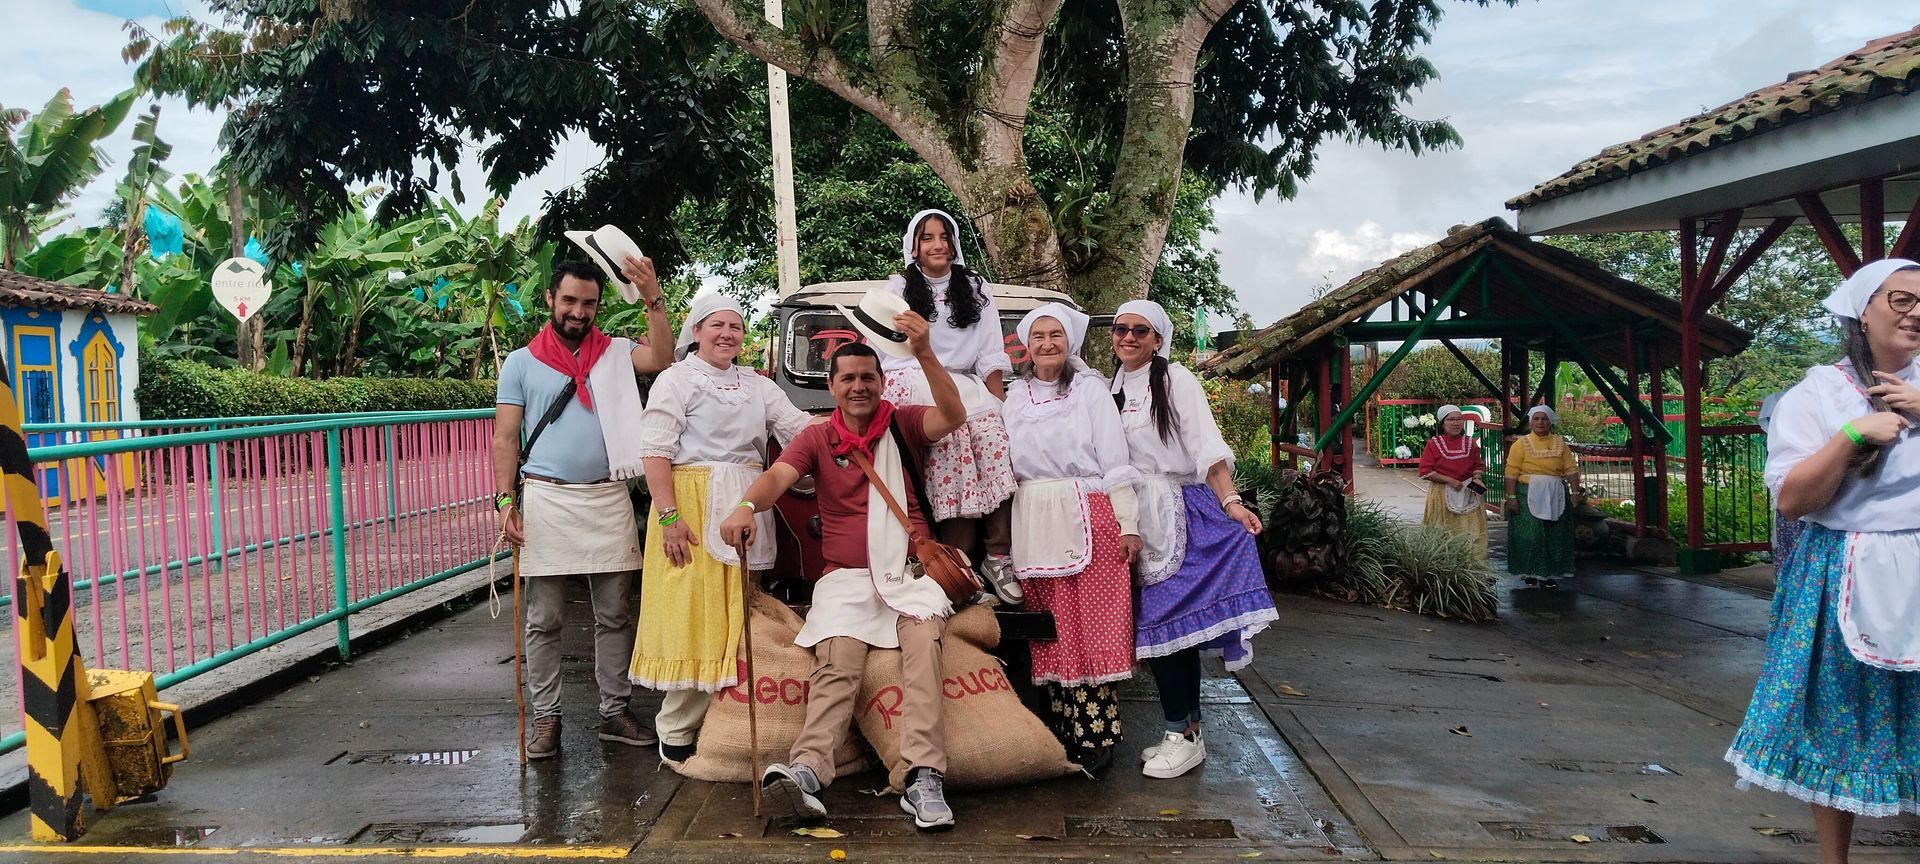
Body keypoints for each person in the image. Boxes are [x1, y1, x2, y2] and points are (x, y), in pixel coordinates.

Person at [719, 295, 967, 831]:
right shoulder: (814, 436)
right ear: (831, 387)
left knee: (922, 651)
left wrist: (924, 353)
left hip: (913, 576)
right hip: (847, 581)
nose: (858, 386)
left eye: (867, 377)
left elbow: (953, 415)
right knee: (837, 664)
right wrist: (743, 506)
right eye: (847, 378)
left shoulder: (902, 425)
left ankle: (924, 776)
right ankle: (808, 770)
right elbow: (776, 480)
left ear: (881, 382)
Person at [1726, 258, 1920, 864]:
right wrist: (1851, 437)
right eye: (1902, 300)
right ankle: (1833, 858)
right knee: (1834, 712)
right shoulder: (1820, 393)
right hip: (1842, 566)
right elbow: (1793, 498)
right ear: (1863, 311)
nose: (1916, 313)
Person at [492, 257, 674, 760]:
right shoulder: (521, 362)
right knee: (543, 617)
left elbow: (661, 357)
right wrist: (505, 501)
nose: (578, 311)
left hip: (607, 494)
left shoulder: (614, 352)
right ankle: (547, 718)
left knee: (615, 614)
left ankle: (614, 712)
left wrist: (652, 295)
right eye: (569, 300)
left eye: (588, 303)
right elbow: (505, 436)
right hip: (547, 497)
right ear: (550, 299)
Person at [627, 293, 814, 768]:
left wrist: (855, 426)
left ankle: (722, 718)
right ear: (696, 330)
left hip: (745, 504)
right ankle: (676, 726)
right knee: (694, 613)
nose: (727, 333)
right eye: (717, 325)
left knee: (737, 611)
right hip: (688, 506)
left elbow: (800, 430)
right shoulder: (677, 379)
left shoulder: (757, 385)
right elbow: (655, 452)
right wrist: (668, 517)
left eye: (735, 325)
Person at [1108, 299, 1280, 780]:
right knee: (1164, 632)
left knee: (1171, 632)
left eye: (1141, 331)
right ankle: (1187, 732)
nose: (1128, 337)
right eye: (1121, 329)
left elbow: (1207, 447)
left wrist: (1231, 503)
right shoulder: (1114, 385)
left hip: (1181, 514)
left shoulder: (1176, 380)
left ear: (1158, 339)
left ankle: (1179, 734)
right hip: (1137, 517)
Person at [1003, 303, 1140, 772]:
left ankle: (1096, 737)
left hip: (1089, 516)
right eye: (1038, 336)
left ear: (1071, 342)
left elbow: (1116, 460)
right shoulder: (1015, 396)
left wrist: (1128, 524)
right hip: (1033, 521)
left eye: (1056, 335)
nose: (1047, 344)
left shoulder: (1090, 391)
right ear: (1027, 344)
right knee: (1050, 630)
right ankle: (1060, 734)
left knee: (1093, 628)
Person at [879, 209, 1022, 604]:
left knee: (996, 441)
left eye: (945, 236)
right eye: (928, 237)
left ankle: (997, 555)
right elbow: (886, 349)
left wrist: (1000, 406)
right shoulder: (898, 287)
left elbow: (992, 353)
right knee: (953, 446)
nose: (938, 244)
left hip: (965, 384)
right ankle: (957, 562)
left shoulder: (975, 286)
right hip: (912, 378)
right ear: (914, 246)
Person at [1502, 405, 1582, 582]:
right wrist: (1512, 497)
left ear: (1550, 422)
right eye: (1536, 419)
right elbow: (1511, 472)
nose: (1540, 422)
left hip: (1555, 492)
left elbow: (1571, 469)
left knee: (1555, 533)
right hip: (1527, 492)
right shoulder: (1521, 444)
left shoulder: (1560, 443)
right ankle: (1529, 571)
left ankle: (1551, 574)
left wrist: (1575, 492)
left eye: (1544, 419)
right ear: (1530, 423)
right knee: (1531, 534)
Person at [1417, 404, 1488, 556]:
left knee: (1473, 531)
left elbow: (1477, 464)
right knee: (1443, 531)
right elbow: (1425, 471)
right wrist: (1449, 480)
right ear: (1442, 423)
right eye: (1451, 420)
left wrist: (1477, 478)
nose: (1456, 423)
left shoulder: (1470, 443)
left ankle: (1474, 568)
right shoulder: (1433, 444)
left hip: (1469, 491)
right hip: (1442, 493)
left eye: (1459, 419)